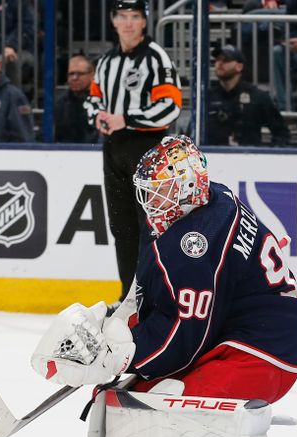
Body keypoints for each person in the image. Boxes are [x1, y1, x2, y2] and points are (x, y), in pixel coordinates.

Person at [30, 135, 297, 437]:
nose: (150, 200)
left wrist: (122, 358)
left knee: (167, 400)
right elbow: (151, 292)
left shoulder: (194, 245)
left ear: (187, 189)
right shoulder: (204, 201)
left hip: (266, 351)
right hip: (230, 330)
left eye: (159, 190)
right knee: (131, 395)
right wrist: (120, 327)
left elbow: (184, 341)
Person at [84, 0, 182, 302]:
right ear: (114, 21)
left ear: (144, 22)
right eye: (123, 16)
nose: (128, 23)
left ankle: (157, 294)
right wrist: (98, 116)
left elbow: (171, 106)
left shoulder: (156, 58)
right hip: (113, 149)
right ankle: (129, 295)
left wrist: (126, 119)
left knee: (150, 227)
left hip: (147, 150)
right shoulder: (106, 62)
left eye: (135, 17)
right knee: (121, 225)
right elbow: (92, 99)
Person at [207, 44, 290, 146]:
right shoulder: (207, 98)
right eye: (218, 60)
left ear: (239, 66)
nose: (220, 63)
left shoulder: (258, 97)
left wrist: (268, 157)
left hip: (248, 158)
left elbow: (282, 133)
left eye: (226, 60)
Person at [54, 54, 98, 143]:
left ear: (92, 75)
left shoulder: (104, 101)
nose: (74, 78)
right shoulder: (60, 103)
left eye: (80, 74)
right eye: (71, 74)